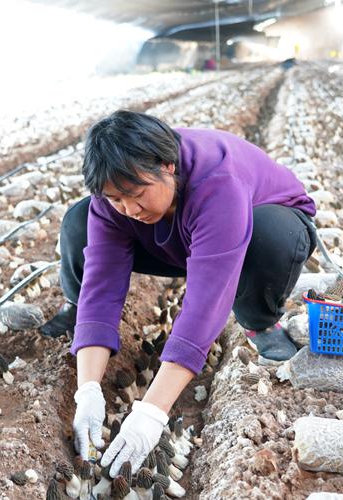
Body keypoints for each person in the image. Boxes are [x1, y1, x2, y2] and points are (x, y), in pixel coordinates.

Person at [39, 110, 317, 476]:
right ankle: (73, 310)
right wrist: (87, 389)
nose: (129, 210)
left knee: (272, 235)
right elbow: (102, 282)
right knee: (80, 221)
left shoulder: (218, 181)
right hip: (175, 240)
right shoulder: (120, 204)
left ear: (168, 166)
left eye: (137, 195)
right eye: (116, 199)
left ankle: (260, 323)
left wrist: (153, 411)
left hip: (255, 228)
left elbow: (206, 301)